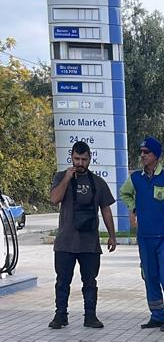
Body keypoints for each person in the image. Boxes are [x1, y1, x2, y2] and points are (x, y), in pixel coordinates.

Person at [119, 137, 164, 332]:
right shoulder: (136, 178)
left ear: (156, 155)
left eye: (146, 152)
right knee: (149, 276)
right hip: (145, 237)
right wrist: (134, 208)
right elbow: (124, 194)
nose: (142, 155)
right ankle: (156, 315)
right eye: (141, 152)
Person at [48, 141, 116, 330]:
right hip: (65, 242)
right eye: (76, 159)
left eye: (83, 159)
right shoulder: (61, 177)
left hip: (89, 243)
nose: (80, 163)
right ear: (71, 157)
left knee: (90, 281)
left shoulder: (97, 182)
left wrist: (112, 235)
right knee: (62, 281)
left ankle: (91, 316)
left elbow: (106, 209)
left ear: (89, 159)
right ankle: (60, 315)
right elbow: (54, 199)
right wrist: (67, 179)